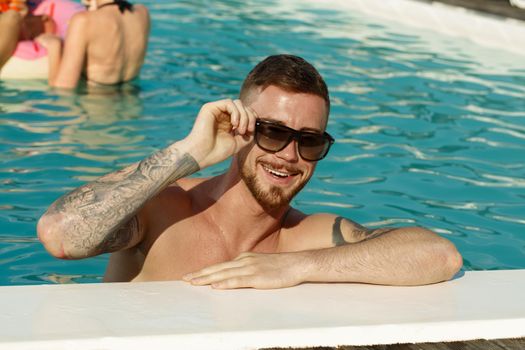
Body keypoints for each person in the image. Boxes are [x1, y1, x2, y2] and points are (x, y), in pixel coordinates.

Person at [37, 54, 463, 289]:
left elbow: (438, 255)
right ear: (239, 126)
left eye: (310, 140)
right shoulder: (164, 210)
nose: (289, 155)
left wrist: (293, 268)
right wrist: (189, 151)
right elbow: (60, 236)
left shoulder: (306, 237)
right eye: (274, 132)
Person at [34, 0, 150, 89]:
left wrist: (54, 46)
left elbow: (63, 88)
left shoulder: (83, 21)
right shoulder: (142, 12)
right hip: (132, 105)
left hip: (96, 110)